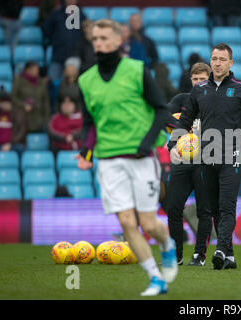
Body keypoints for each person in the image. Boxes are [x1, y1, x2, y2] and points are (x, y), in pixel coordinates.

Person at [75, 19, 177, 296]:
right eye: (95, 39)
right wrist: (86, 152)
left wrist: (146, 144)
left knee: (147, 224)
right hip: (108, 160)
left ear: (119, 41)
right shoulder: (86, 80)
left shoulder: (137, 70)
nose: (98, 43)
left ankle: (167, 245)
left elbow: (160, 110)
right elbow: (89, 123)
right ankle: (156, 279)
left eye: (104, 38)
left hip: (141, 157)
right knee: (127, 223)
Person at [169, 43, 241, 270]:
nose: (217, 63)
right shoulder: (199, 89)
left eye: (222, 59)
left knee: (227, 204)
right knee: (214, 208)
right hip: (207, 156)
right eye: (214, 59)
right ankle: (229, 256)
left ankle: (220, 249)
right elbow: (185, 120)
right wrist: (174, 144)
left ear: (231, 63)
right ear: (210, 62)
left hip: (234, 154)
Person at [164, 62, 217, 266]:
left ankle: (199, 256)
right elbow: (163, 116)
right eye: (195, 79)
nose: (197, 83)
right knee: (173, 207)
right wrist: (182, 126)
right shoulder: (181, 99)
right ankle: (176, 255)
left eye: (202, 79)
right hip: (183, 160)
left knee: (204, 210)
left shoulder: (216, 101)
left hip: (206, 161)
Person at [42, 0, 86, 81]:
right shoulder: (57, 14)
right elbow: (46, 29)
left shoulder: (81, 16)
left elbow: (84, 34)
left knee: (72, 84)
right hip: (58, 55)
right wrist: (55, 39)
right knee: (52, 82)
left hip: (74, 56)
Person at [11, 61, 51, 133]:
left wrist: (47, 118)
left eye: (37, 69)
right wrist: (23, 105)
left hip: (39, 118)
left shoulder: (41, 82)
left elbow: (46, 101)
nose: (37, 71)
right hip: (23, 117)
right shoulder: (19, 81)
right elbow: (13, 97)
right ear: (27, 70)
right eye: (35, 69)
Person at [0, 86, 26, 153]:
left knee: (20, 148)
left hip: (13, 144)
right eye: (2, 103)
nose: (5, 105)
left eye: (6, 103)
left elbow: (21, 132)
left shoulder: (18, 114)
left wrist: (10, 143)